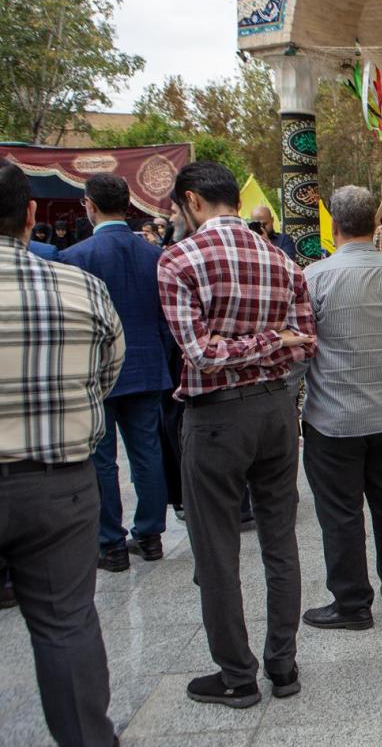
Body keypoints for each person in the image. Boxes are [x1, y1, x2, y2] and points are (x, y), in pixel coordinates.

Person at [157, 161, 316, 708]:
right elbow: (302, 341)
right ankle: (283, 664)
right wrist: (274, 341)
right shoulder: (281, 259)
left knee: (217, 550)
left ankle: (237, 674)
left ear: (192, 201)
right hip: (275, 410)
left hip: (217, 416)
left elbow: (200, 352)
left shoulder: (180, 259)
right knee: (279, 540)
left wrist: (258, 344)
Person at [0, 164, 123, 746]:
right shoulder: (78, 286)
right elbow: (107, 370)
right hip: (57, 479)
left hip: (56, 478)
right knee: (66, 622)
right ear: (30, 215)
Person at [299, 186, 382, 630]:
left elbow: (301, 351)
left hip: (333, 420)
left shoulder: (315, 278)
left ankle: (352, 604)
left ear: (334, 226)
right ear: (374, 225)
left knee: (340, 512)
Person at [62, 174, 174, 572]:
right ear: (128, 205)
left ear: (90, 205)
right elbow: (165, 318)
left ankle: (110, 542)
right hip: (146, 366)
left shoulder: (74, 258)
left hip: (95, 372)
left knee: (102, 459)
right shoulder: (154, 255)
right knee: (147, 452)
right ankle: (151, 535)